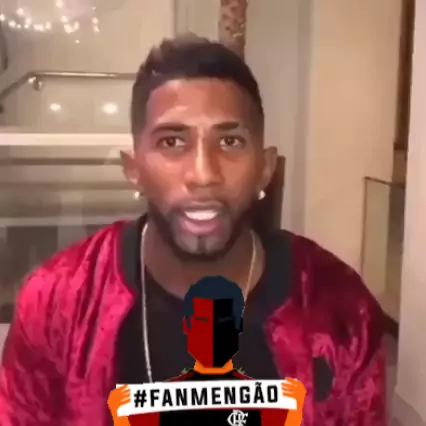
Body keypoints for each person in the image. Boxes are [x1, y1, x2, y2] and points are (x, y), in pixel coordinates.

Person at [0, 35, 386, 425]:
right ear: (134, 169)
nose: (203, 174)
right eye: (172, 141)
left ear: (265, 168)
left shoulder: (340, 309)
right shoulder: (58, 302)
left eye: (230, 141)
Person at [107, 276, 306, 426]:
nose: (213, 332)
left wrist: (294, 412)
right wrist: (122, 415)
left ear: (238, 325)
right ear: (188, 325)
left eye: (223, 321)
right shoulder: (155, 403)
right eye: (203, 322)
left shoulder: (272, 402)